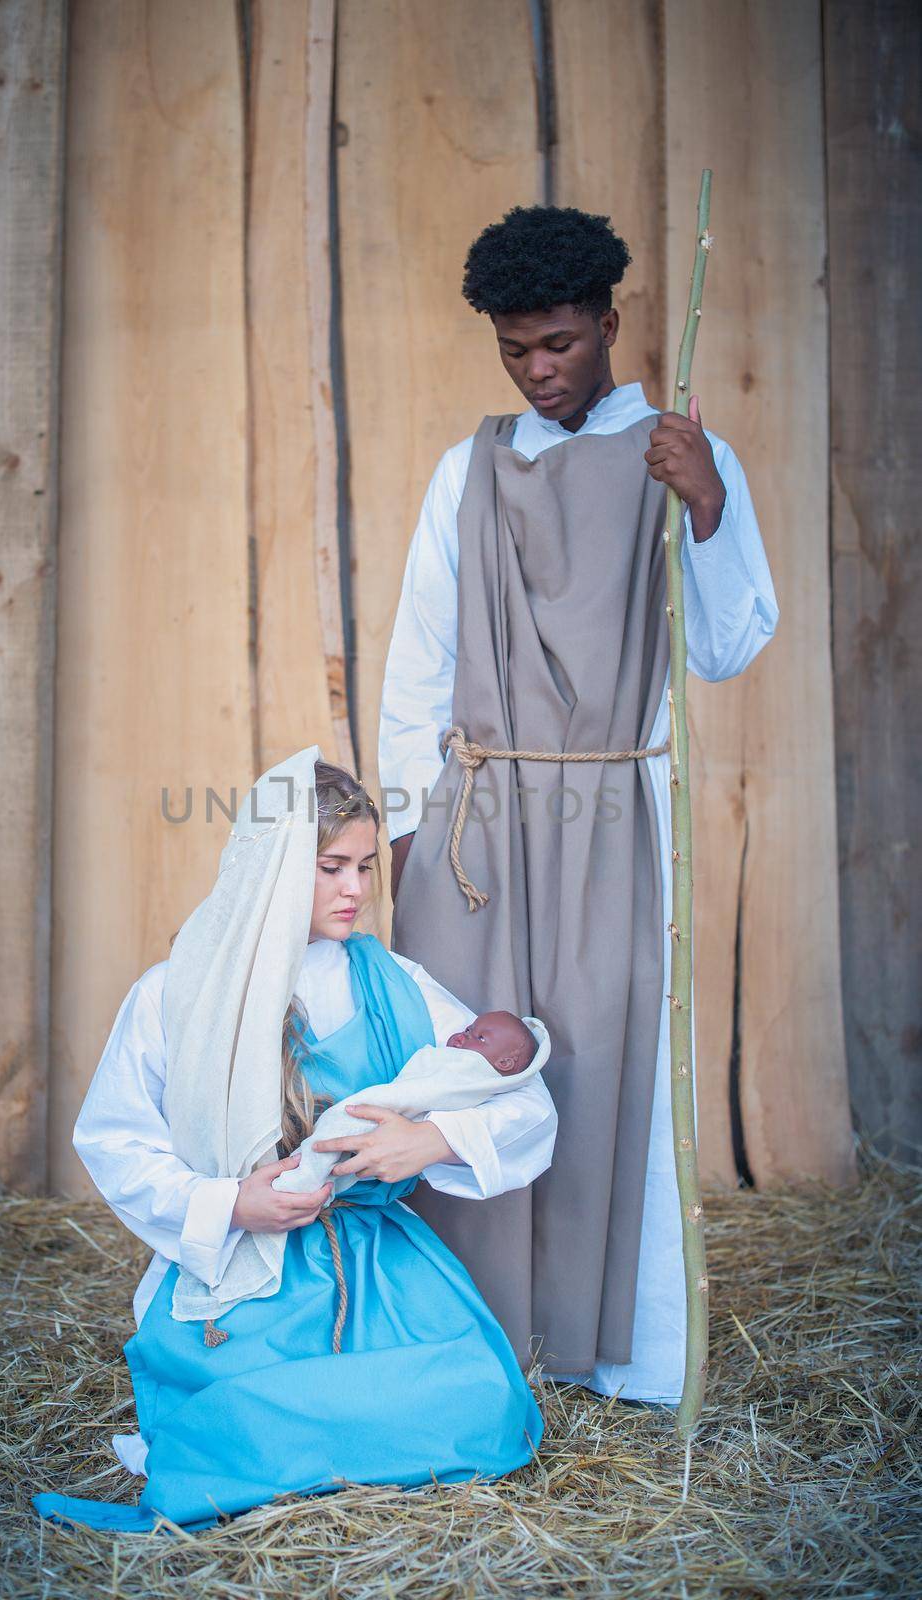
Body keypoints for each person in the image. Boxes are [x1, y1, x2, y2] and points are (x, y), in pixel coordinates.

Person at [380, 205, 779, 1404]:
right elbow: (418, 662)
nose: (539, 368)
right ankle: (476, 1346)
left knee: (605, 1070)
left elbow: (725, 645)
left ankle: (616, 1353)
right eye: (516, 349)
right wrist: (409, 836)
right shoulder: (470, 468)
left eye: (558, 342)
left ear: (609, 323)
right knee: (475, 1065)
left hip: (611, 813)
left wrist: (706, 504)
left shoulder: (678, 452)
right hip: (479, 825)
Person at [33, 749, 556, 1532]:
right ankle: (263, 1435)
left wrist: (430, 1140)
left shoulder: (400, 986)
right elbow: (115, 1140)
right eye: (330, 867)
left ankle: (282, 1445)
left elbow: (525, 1101)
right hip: (251, 1277)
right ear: (276, 864)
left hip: (384, 1268)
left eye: (366, 867)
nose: (355, 889)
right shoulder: (177, 994)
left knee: (483, 1409)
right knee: (248, 1407)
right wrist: (229, 1203)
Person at [274, 1008, 547, 1194]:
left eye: (479, 1037)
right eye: (468, 1029)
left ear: (505, 1062)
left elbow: (532, 1107)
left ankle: (302, 1181)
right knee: (340, 1125)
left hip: (379, 1140)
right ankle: (303, 1179)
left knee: (343, 1123)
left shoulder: (398, 975)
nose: (464, 1035)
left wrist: (431, 1138)